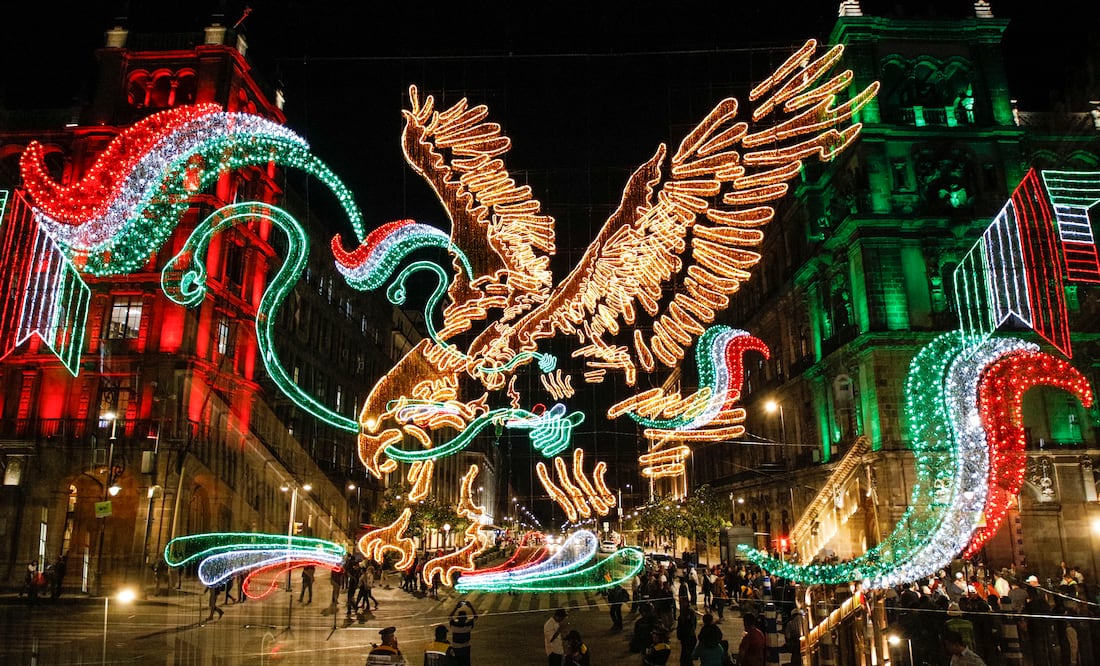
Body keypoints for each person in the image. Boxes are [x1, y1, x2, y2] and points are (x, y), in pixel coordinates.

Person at [448, 600, 477, 666]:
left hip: (456, 648)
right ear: (465, 619)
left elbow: (450, 617)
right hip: (465, 648)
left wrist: (456, 607)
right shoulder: (468, 626)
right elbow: (475, 617)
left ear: (458, 618)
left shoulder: (454, 626)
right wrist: (471, 607)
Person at [675, 595, 697, 666]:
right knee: (685, 658)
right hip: (685, 638)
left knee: (686, 658)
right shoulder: (682, 614)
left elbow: (692, 625)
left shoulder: (690, 613)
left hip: (689, 637)